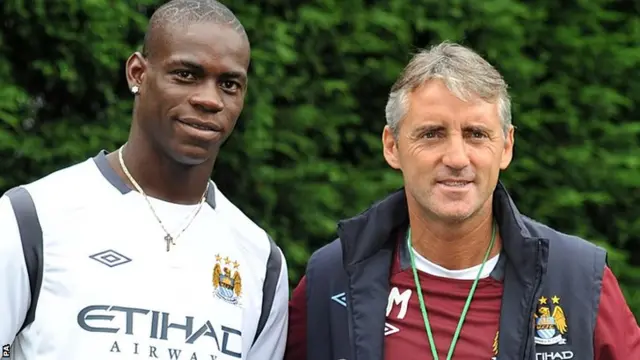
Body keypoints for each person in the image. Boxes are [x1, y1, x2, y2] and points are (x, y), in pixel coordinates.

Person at [285, 41, 640, 360]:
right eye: (432, 134)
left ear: (506, 146)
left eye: (476, 134)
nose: (456, 157)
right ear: (392, 146)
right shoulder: (332, 277)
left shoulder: (579, 279)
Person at [0, 1, 288, 359]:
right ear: (137, 73)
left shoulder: (261, 260)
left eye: (229, 84)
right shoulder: (32, 219)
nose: (209, 99)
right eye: (186, 75)